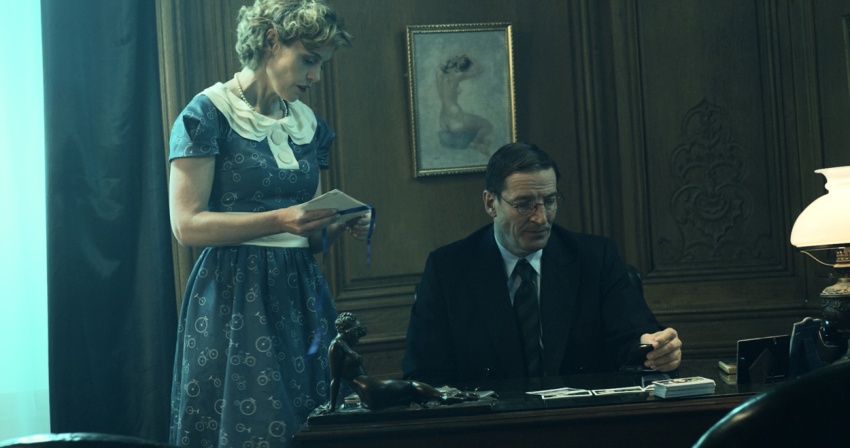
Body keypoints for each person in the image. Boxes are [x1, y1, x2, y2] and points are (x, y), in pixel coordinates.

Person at [167, 1, 369, 447]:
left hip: (300, 294)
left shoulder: (309, 124)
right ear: (272, 40)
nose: (316, 76)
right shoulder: (207, 114)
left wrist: (338, 223)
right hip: (234, 292)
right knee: (252, 426)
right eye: (309, 60)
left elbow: (306, 237)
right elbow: (187, 226)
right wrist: (281, 218)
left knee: (313, 423)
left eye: (321, 64)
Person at [402, 142, 682, 386]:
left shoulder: (595, 258)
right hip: (490, 424)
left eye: (549, 201)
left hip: (581, 419)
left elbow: (633, 337)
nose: (541, 218)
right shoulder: (448, 269)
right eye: (524, 204)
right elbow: (424, 373)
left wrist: (656, 350)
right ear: (490, 204)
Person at [319, 312, 477, 413]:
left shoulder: (344, 343)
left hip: (367, 391)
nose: (358, 338)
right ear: (347, 330)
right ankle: (445, 397)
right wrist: (331, 407)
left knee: (410, 395)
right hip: (369, 389)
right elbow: (335, 379)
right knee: (411, 386)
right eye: (356, 333)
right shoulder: (336, 346)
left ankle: (447, 396)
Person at [436, 54, 493, 156]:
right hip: (455, 118)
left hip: (443, 120)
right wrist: (469, 56)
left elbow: (444, 68)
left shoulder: (439, 75)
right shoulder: (456, 76)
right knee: (487, 125)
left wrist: (453, 62)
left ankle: (479, 144)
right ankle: (476, 143)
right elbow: (479, 69)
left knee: (479, 132)